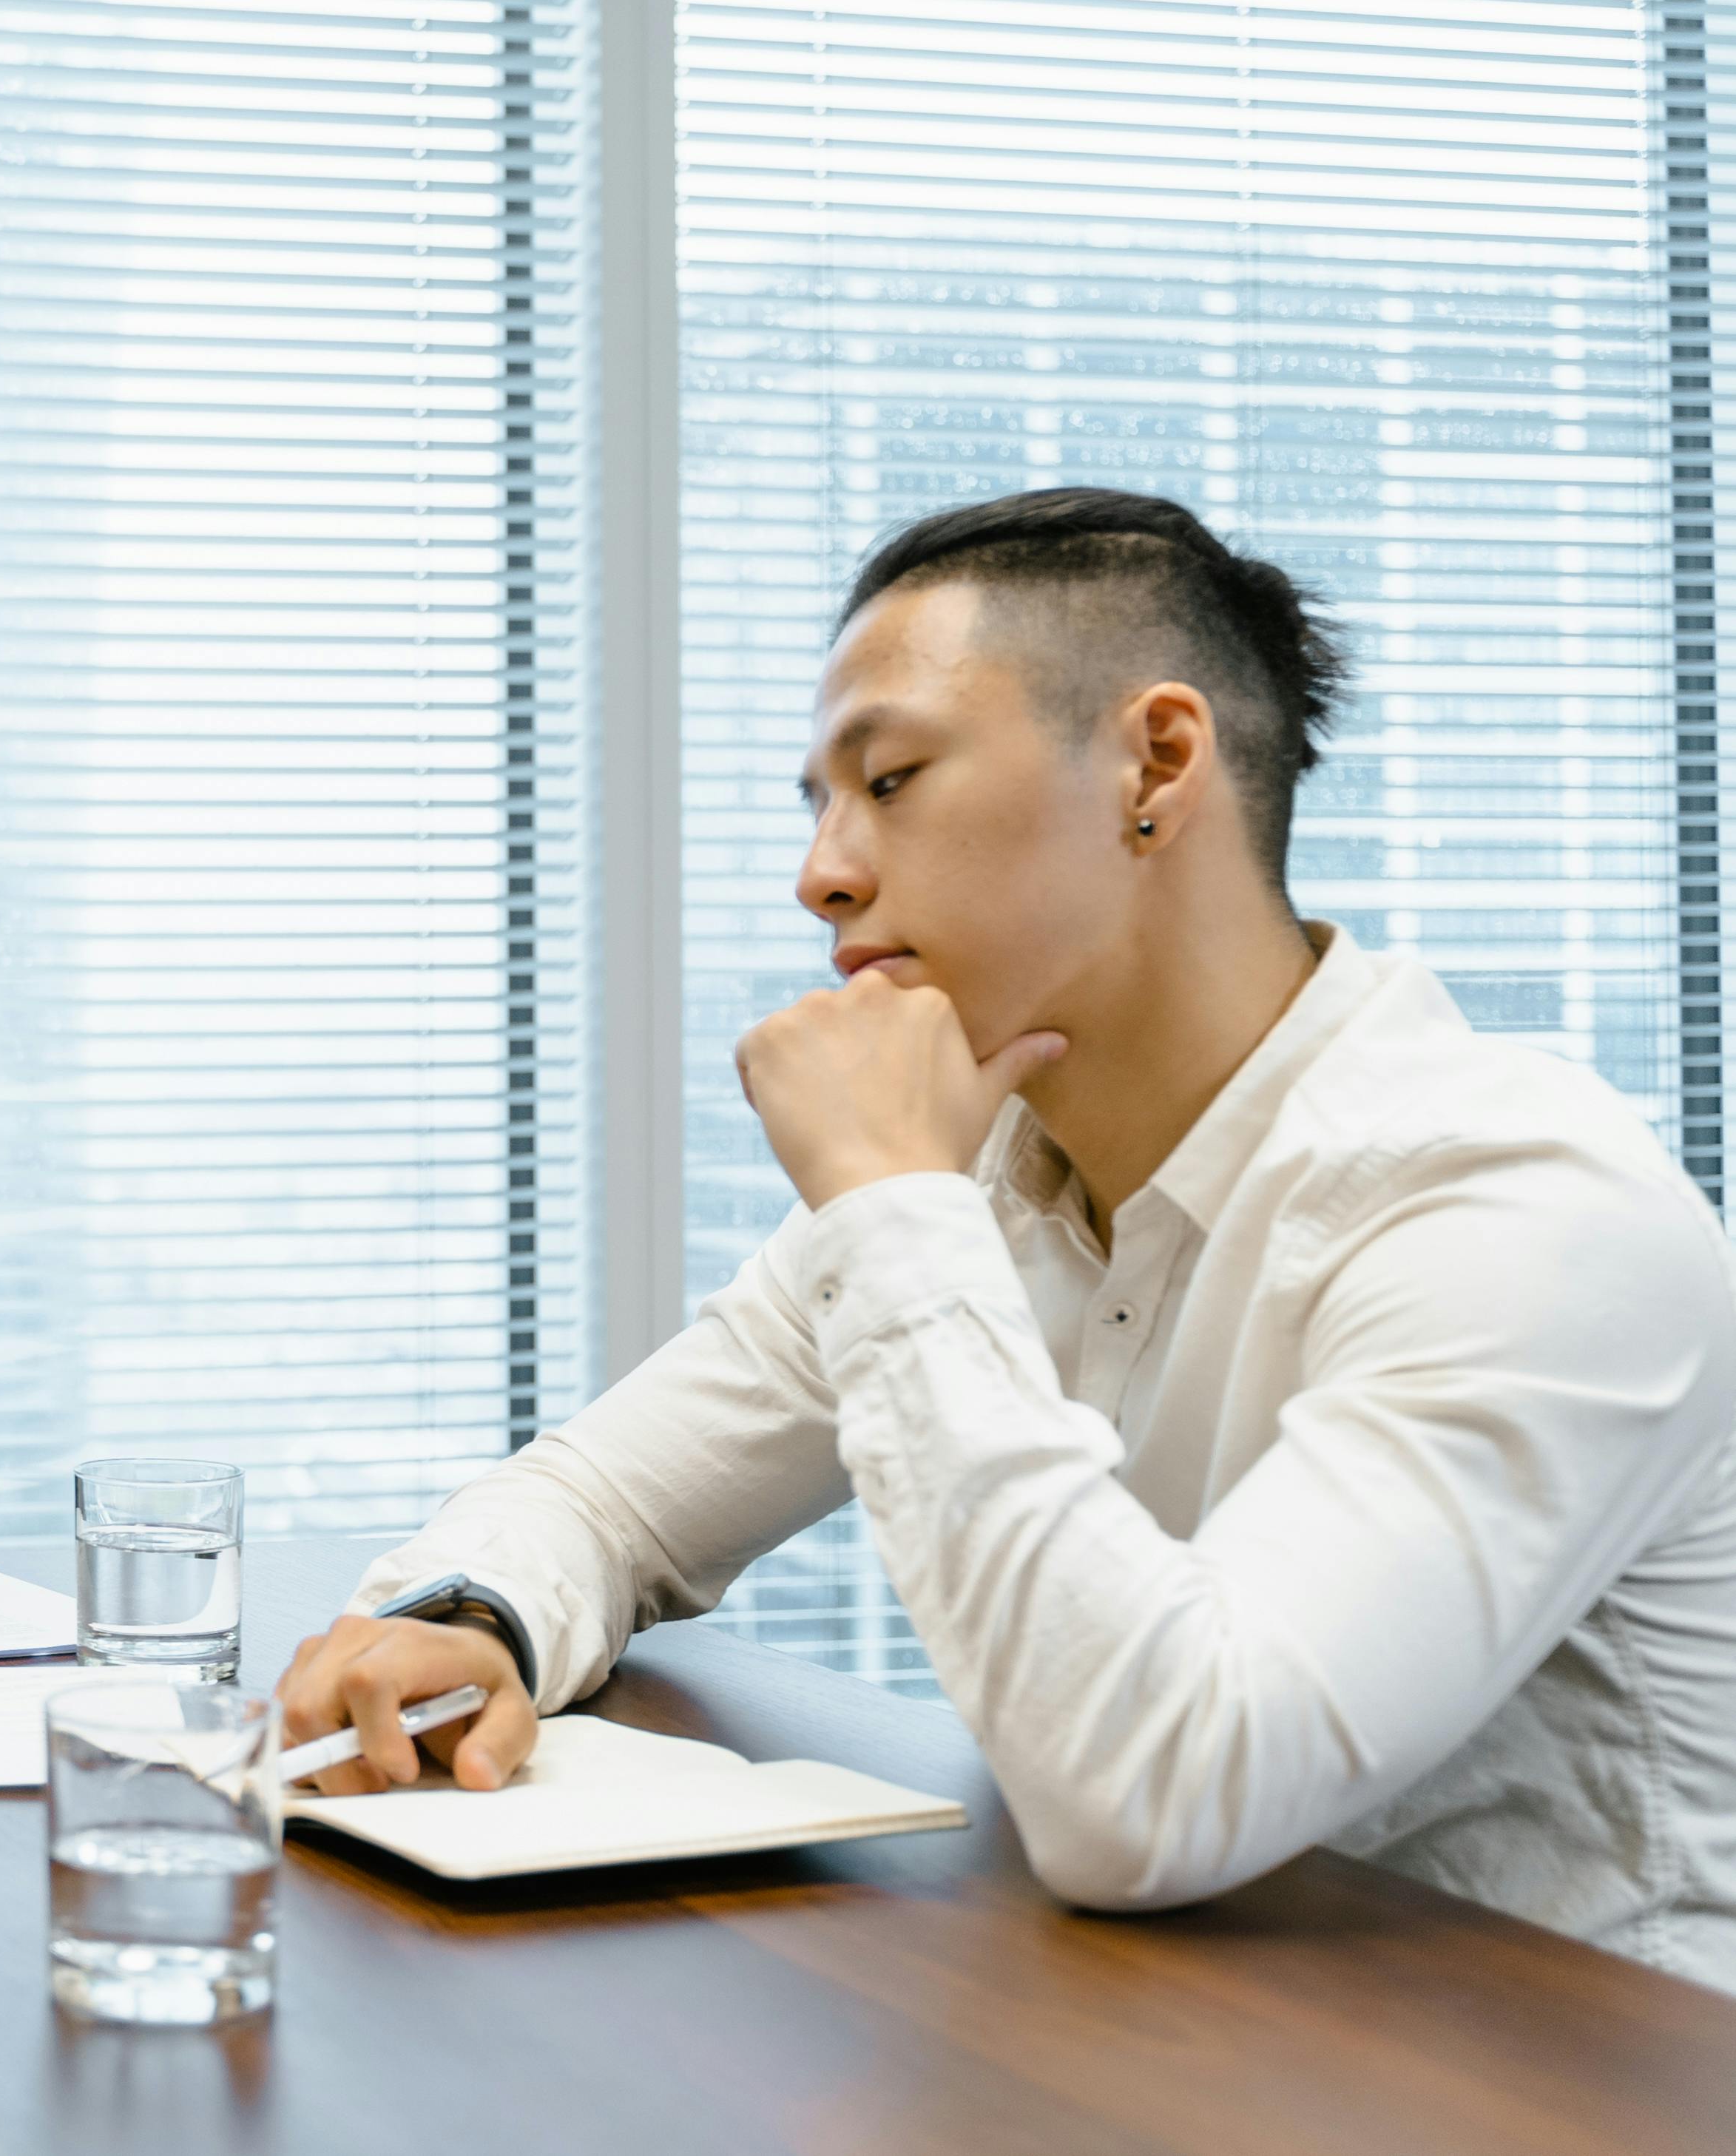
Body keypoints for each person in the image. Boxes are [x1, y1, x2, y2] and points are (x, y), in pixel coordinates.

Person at [274, 487, 1736, 1987]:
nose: (822, 874)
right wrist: (473, 1618)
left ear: (1157, 763)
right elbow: (603, 1499)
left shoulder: (1522, 1206)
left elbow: (1156, 1794)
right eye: (818, 803)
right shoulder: (976, 1171)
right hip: (1159, 2040)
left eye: (891, 778)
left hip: (1568, 2089)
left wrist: (891, 1211)